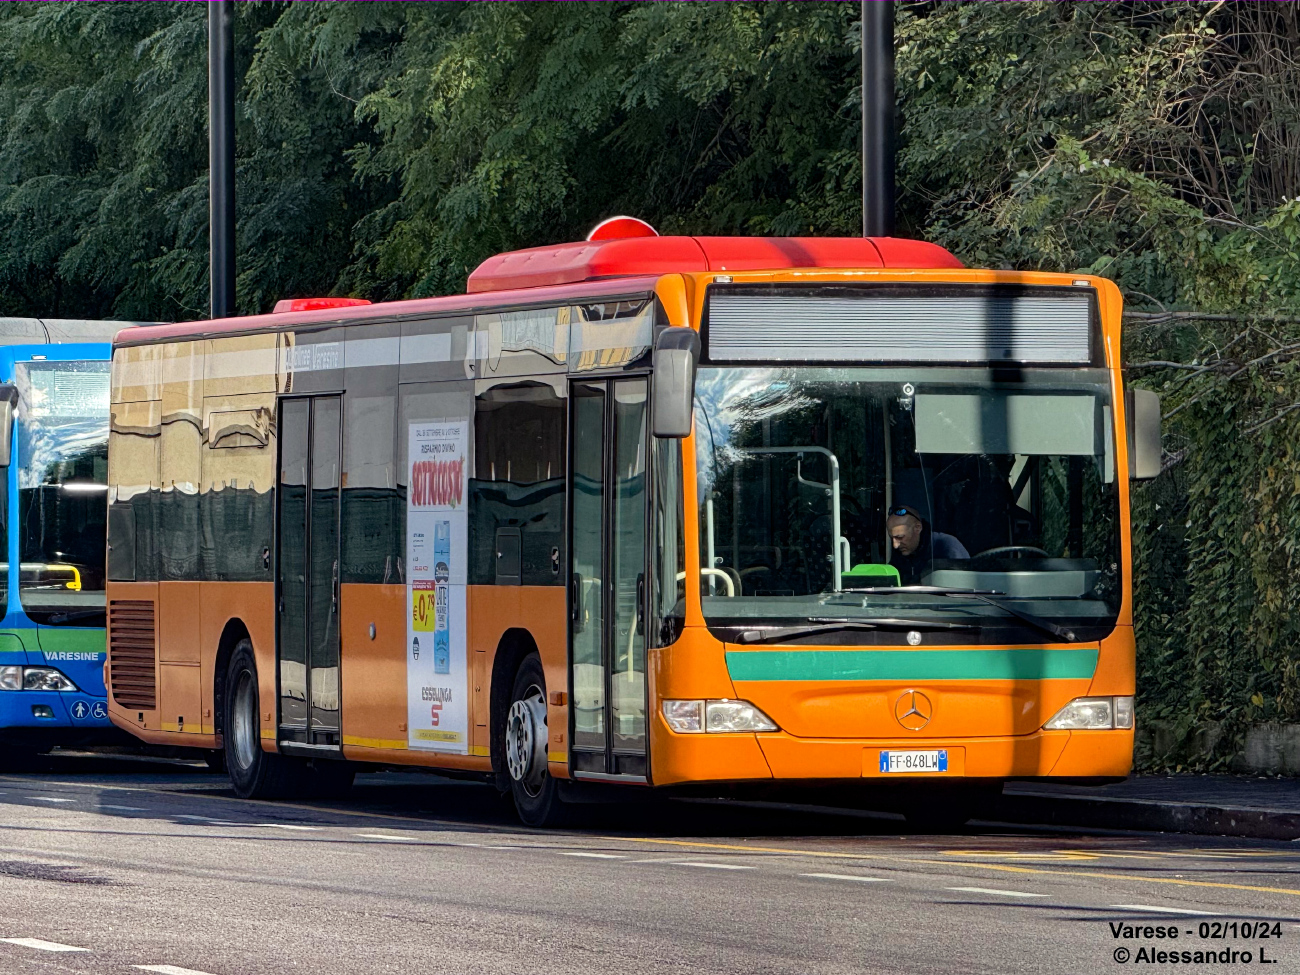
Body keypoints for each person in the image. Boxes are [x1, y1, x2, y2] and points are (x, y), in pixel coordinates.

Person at [886, 505, 968, 585]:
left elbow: (963, 585)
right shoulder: (900, 553)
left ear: (917, 528)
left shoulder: (946, 545)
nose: (895, 545)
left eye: (900, 537)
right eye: (891, 538)